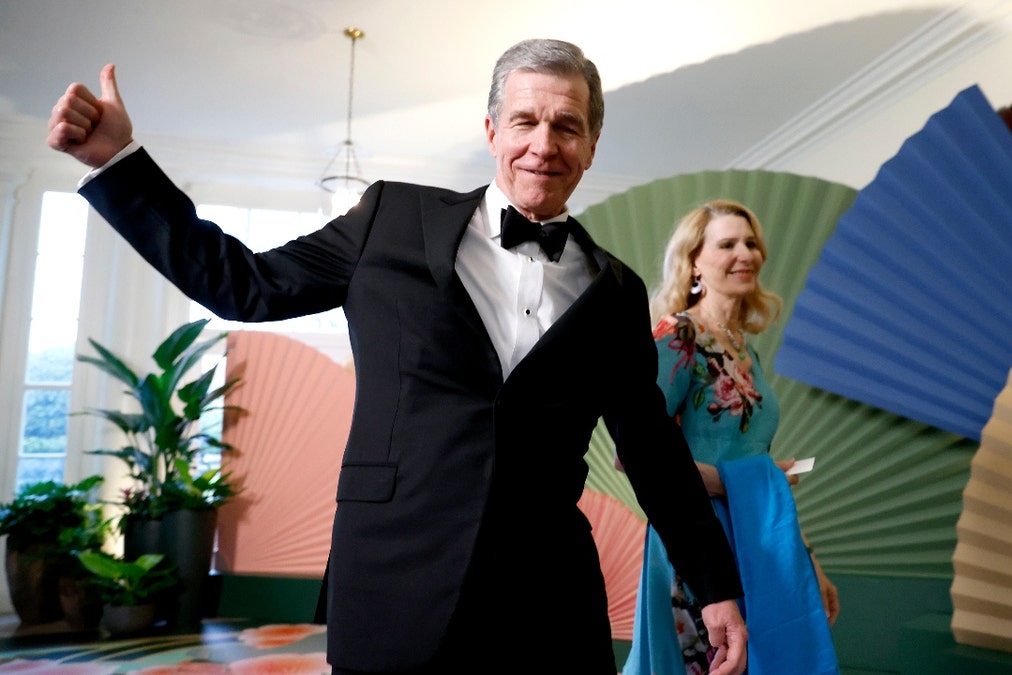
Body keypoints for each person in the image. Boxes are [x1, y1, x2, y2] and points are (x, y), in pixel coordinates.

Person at [46, 39, 748, 675]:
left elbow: (653, 450)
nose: (545, 144)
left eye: (567, 125)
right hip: (394, 576)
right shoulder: (389, 220)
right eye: (526, 121)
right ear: (492, 131)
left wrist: (715, 585)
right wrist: (119, 164)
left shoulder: (618, 291)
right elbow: (243, 285)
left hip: (548, 600)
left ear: (592, 143)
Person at [623, 199, 840, 674]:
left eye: (751, 243)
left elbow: (758, 464)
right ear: (694, 259)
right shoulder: (678, 336)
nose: (745, 253)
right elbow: (634, 454)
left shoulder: (744, 348)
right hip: (696, 539)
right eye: (727, 244)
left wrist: (808, 562)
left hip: (761, 535)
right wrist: (731, 483)